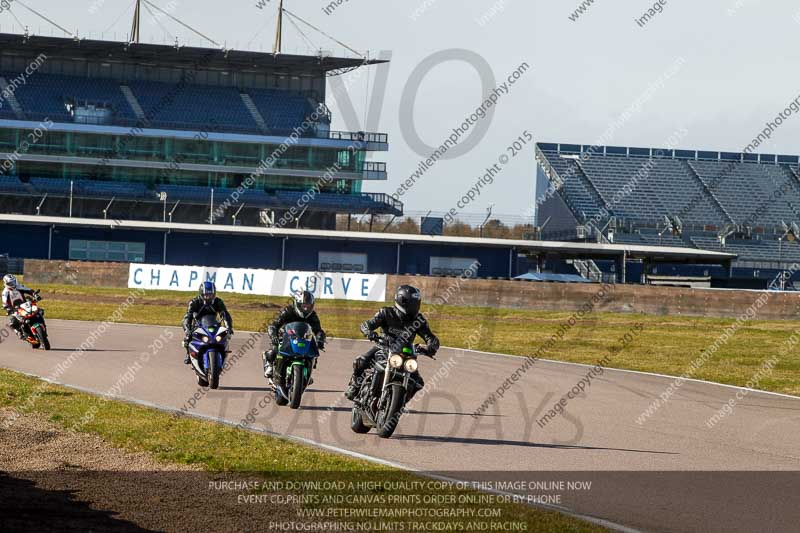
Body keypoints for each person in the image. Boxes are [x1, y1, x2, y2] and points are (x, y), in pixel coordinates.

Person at [345, 285, 439, 401]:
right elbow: (367, 324)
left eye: (416, 303)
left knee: (418, 382)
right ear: (402, 301)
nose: (415, 306)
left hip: (405, 353)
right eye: (412, 303)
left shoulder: (419, 321)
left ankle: (401, 402)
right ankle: (355, 384)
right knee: (361, 361)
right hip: (383, 347)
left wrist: (431, 347)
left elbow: (430, 337)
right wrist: (369, 332)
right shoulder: (386, 312)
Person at [263, 290, 326, 388]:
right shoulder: (287, 311)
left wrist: (320, 340)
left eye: (308, 306)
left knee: (314, 351)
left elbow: (319, 331)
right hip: (286, 336)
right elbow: (274, 325)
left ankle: (307, 372)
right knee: (275, 349)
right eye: (304, 306)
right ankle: (270, 365)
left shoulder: (312, 316)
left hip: (302, 339)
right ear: (297, 304)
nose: (306, 308)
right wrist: (273, 335)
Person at [182, 281, 233, 364]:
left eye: (211, 295)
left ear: (214, 294)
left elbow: (225, 314)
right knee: (187, 339)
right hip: (198, 326)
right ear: (201, 294)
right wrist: (187, 330)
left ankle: (222, 354)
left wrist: (229, 327)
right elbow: (187, 318)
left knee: (224, 338)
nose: (208, 297)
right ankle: (189, 354)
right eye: (206, 295)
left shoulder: (218, 302)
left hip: (213, 325)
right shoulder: (194, 302)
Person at [2, 274, 37, 339]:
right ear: (6, 283)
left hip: (25, 305)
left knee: (38, 311)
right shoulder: (5, 292)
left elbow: (29, 290)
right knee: (13, 322)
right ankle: (18, 332)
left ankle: (41, 324)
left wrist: (35, 294)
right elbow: (4, 301)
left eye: (13, 282)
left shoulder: (19, 286)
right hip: (15, 309)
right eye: (10, 283)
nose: (13, 284)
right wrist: (7, 307)